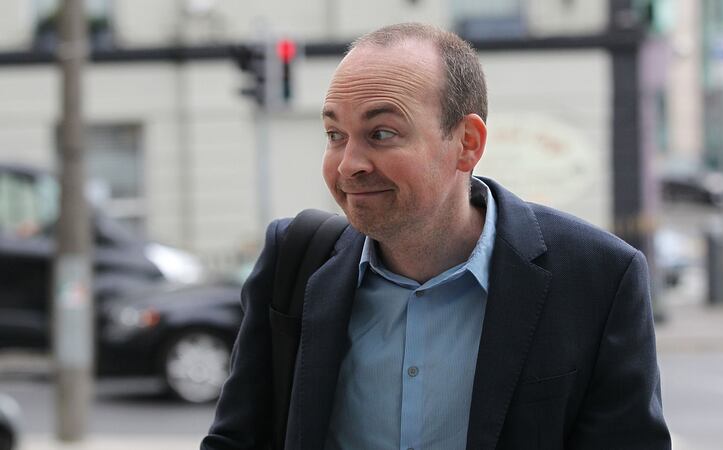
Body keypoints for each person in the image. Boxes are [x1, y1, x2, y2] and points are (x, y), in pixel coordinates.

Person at [202, 23, 670, 450]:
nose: (348, 165)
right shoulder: (295, 262)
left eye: (381, 133)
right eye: (334, 134)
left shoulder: (598, 277)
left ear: (467, 143)